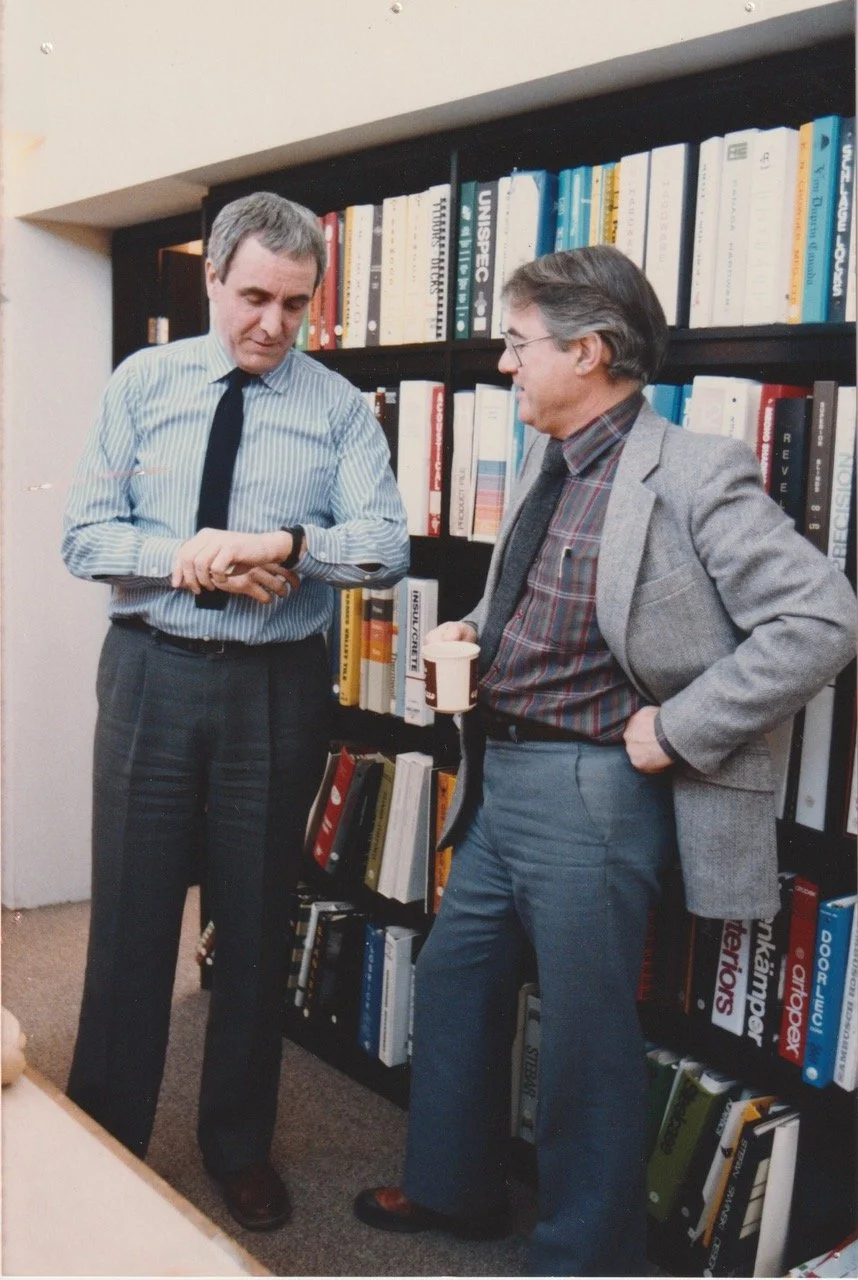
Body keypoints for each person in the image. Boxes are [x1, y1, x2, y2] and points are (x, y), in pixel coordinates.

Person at [354, 245, 858, 1275]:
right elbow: (532, 602)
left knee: (585, 1038)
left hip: (595, 791)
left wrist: (679, 728)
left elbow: (821, 616)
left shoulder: (693, 470)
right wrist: (469, 632)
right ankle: (456, 1188)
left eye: (518, 343)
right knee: (454, 977)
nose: (504, 364)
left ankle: (583, 1257)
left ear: (587, 350)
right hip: (501, 776)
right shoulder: (552, 460)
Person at [62, 191, 409, 1231]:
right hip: (151, 673)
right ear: (213, 278)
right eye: (253, 295)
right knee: (128, 918)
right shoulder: (143, 385)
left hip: (274, 687)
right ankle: (103, 1133)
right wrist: (186, 556)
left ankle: (238, 1145)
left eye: (295, 306)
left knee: (256, 919)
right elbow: (84, 537)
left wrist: (283, 547)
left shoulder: (340, 407)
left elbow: (385, 542)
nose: (271, 323)